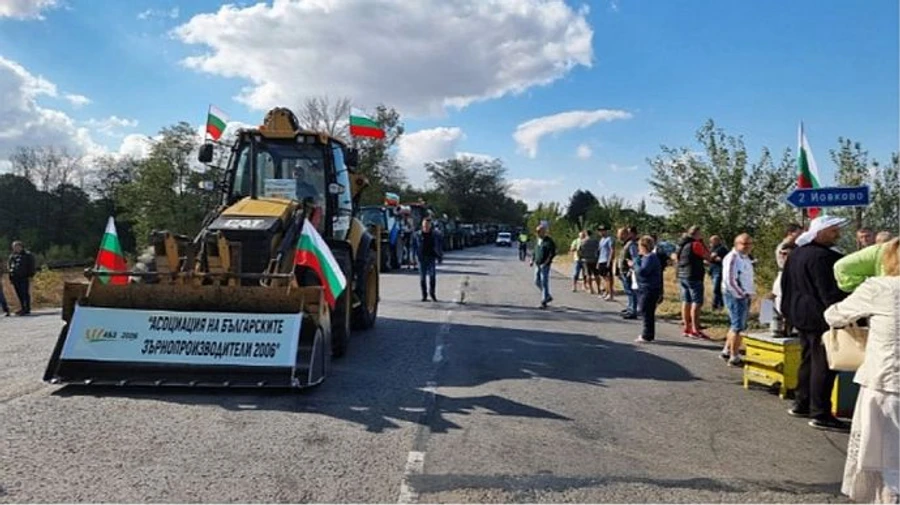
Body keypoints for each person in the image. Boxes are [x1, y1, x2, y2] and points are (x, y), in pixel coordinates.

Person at [824, 238, 899, 503]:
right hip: (887, 378)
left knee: (884, 457)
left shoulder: (880, 287)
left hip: (885, 382)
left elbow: (834, 315)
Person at [781, 215, 851, 431]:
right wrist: (843, 313)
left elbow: (786, 285)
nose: (837, 234)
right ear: (819, 232)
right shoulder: (823, 258)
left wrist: (787, 310)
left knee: (809, 359)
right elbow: (828, 291)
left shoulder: (797, 253)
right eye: (833, 231)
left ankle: (802, 403)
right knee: (824, 365)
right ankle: (820, 412)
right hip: (819, 317)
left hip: (799, 314)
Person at [721, 233, 755, 367]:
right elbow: (729, 280)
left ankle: (726, 350)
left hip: (743, 294)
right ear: (736, 244)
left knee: (735, 324)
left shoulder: (745, 257)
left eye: (749, 244)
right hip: (736, 295)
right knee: (738, 327)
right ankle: (734, 356)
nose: (747, 246)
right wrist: (741, 294)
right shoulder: (733, 258)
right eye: (744, 244)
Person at [675, 226, 712, 339]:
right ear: (697, 234)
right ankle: (695, 329)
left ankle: (687, 327)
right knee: (696, 302)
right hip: (694, 275)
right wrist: (702, 243)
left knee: (686, 301)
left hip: (682, 275)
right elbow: (708, 256)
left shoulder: (682, 244)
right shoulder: (696, 244)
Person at [633, 235, 662, 343]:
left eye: (640, 246)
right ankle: (648, 333)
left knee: (646, 311)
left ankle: (647, 335)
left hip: (649, 288)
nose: (638, 248)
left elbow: (643, 272)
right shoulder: (647, 257)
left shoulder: (650, 257)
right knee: (646, 310)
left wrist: (635, 263)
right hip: (646, 287)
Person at [413, 217, 443, 302]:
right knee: (422, 278)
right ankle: (424, 295)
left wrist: (440, 256)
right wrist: (413, 258)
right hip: (421, 258)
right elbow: (414, 247)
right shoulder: (417, 235)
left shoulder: (435, 235)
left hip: (431, 258)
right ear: (422, 225)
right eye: (424, 225)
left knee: (432, 276)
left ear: (430, 226)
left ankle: (432, 294)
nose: (426, 226)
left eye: (427, 225)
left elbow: (439, 246)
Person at [531, 224, 556, 309]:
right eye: (536, 231)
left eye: (539, 231)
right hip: (537, 264)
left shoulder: (548, 241)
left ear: (544, 232)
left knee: (544, 282)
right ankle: (547, 296)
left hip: (544, 265)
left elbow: (552, 253)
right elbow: (535, 250)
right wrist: (532, 259)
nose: (537, 233)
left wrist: (546, 262)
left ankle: (544, 301)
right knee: (536, 281)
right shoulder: (538, 240)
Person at [7, 241, 35, 316]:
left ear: (21, 246)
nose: (16, 248)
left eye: (17, 246)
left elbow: (31, 266)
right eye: (14, 247)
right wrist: (10, 277)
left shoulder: (27, 255)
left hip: (24, 277)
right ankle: (22, 307)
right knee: (19, 293)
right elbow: (9, 267)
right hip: (15, 278)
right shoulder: (12, 256)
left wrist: (31, 275)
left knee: (24, 293)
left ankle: (27, 308)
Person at [618, 227, 639, 319]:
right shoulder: (626, 244)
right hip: (624, 271)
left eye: (620, 234)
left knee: (631, 291)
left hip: (628, 272)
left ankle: (633, 310)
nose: (618, 236)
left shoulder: (631, 245)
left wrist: (631, 269)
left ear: (626, 234)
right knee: (628, 291)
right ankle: (630, 307)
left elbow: (635, 258)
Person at [708, 235, 728, 311]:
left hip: (719, 271)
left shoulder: (721, 248)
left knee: (716, 288)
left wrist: (712, 258)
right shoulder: (711, 249)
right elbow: (707, 258)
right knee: (717, 289)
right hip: (712, 270)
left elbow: (710, 257)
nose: (711, 243)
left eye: (712, 241)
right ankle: (720, 305)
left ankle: (715, 305)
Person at [578, 230, 601, 295]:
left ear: (586, 234)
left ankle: (591, 289)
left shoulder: (583, 241)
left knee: (588, 275)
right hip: (595, 259)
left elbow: (580, 250)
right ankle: (598, 288)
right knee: (596, 274)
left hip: (586, 260)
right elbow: (599, 249)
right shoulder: (596, 241)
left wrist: (581, 257)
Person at [596, 225, 615, 301]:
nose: (601, 232)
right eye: (600, 230)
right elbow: (600, 252)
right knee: (603, 278)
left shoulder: (609, 239)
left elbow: (612, 250)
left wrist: (609, 261)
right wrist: (598, 262)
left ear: (606, 231)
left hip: (606, 260)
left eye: (603, 230)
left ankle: (610, 294)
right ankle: (606, 292)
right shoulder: (601, 240)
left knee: (608, 278)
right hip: (601, 260)